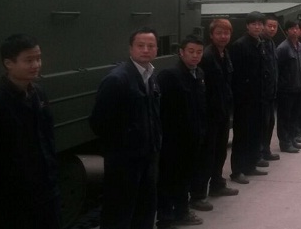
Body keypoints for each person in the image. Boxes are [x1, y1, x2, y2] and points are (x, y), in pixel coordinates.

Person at [0, 34, 61, 229]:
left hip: (46, 190)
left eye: (38, 58)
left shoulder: (39, 94)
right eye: (29, 60)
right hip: (14, 199)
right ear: (9, 63)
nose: (36, 64)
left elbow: (48, 138)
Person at [90, 27, 162, 229]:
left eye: (150, 46)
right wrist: (124, 146)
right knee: (119, 212)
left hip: (148, 157)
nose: (146, 50)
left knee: (145, 208)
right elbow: (99, 123)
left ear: (156, 49)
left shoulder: (151, 76)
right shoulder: (117, 79)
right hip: (124, 161)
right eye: (140, 46)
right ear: (130, 49)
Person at [156, 35, 206, 228]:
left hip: (192, 137)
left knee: (185, 177)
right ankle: (166, 217)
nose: (195, 56)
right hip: (173, 139)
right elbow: (161, 109)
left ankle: (182, 211)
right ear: (181, 52)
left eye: (199, 52)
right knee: (169, 178)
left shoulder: (199, 73)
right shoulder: (169, 75)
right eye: (191, 52)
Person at [191, 19, 239, 210]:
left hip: (222, 112)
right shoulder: (207, 56)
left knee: (219, 152)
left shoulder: (224, 53)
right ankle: (197, 195)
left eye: (226, 33)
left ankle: (217, 184)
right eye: (219, 33)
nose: (223, 36)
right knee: (206, 156)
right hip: (210, 114)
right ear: (211, 35)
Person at [229, 11, 269, 184]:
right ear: (247, 26)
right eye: (254, 24)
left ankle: (250, 165)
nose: (257, 27)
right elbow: (236, 76)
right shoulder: (240, 45)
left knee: (255, 133)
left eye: (260, 24)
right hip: (245, 99)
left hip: (258, 96)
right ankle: (237, 171)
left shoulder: (260, 43)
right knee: (242, 136)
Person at [275, 20, 301, 153]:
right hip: (286, 90)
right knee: (285, 117)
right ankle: (285, 142)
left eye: (296, 28)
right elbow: (278, 70)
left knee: (294, 115)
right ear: (287, 31)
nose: (295, 31)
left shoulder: (300, 46)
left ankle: (293, 137)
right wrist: (283, 86)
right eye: (292, 29)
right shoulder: (282, 48)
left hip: (298, 86)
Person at [259, 15, 280, 165]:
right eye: (269, 26)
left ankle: (265, 150)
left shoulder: (270, 43)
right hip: (261, 93)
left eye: (275, 26)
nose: (272, 29)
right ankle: (258, 154)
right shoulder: (259, 43)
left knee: (269, 122)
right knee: (261, 125)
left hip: (270, 91)